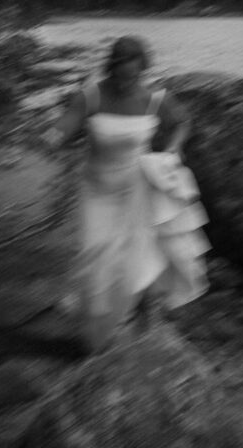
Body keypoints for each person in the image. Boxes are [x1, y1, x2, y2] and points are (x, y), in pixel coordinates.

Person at [44, 36, 209, 351]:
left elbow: (183, 121)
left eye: (133, 75)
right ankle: (97, 334)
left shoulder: (154, 99)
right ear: (111, 67)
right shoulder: (90, 97)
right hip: (96, 190)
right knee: (95, 254)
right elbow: (63, 127)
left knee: (140, 255)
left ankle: (146, 320)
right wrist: (48, 138)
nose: (126, 81)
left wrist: (173, 149)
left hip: (137, 188)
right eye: (120, 74)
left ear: (143, 70)